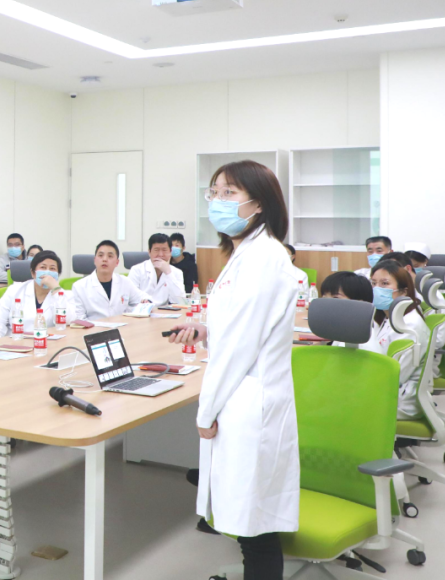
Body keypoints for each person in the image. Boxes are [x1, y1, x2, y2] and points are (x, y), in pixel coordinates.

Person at [169, 160, 300, 580]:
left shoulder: (263, 257)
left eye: (229, 193)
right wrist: (207, 331)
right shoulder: (247, 253)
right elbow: (243, 329)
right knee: (250, 522)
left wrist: (205, 412)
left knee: (254, 529)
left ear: (257, 204)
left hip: (247, 401)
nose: (217, 201)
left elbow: (240, 349)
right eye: (214, 192)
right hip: (245, 395)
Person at [369, 260, 429, 419]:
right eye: (373, 283)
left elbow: (397, 375)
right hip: (387, 388)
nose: (376, 289)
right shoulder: (389, 318)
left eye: (384, 283)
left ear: (403, 292)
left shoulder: (409, 326)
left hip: (401, 398)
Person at [0, 250, 78, 338]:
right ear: (33, 273)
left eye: (52, 268)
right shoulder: (14, 291)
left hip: (49, 344)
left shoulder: (66, 296)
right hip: (16, 342)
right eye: (43, 267)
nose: (47, 272)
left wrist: (55, 289)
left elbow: (69, 322)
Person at [72, 240, 151, 320]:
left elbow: (144, 298)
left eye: (110, 256)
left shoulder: (125, 282)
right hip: (94, 327)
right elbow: (79, 319)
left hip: (122, 326)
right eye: (100, 255)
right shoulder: (79, 287)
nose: (105, 259)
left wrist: (146, 302)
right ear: (95, 260)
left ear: (117, 262)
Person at [128, 233, 185, 305]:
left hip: (164, 311)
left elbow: (180, 301)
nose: (160, 255)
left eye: (164, 250)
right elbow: (131, 296)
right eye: (156, 250)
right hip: (142, 310)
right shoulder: (136, 270)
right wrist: (147, 301)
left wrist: (168, 273)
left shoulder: (177, 272)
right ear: (149, 252)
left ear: (170, 252)